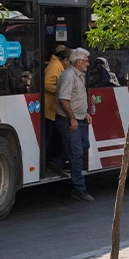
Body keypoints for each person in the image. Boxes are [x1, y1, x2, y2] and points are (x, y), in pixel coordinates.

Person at [55, 48, 94, 201]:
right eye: (86, 61)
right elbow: (63, 100)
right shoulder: (69, 76)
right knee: (77, 154)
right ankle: (79, 188)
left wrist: (85, 114)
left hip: (79, 119)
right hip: (69, 121)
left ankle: (57, 162)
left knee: (84, 145)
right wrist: (72, 118)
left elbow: (76, 98)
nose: (88, 64)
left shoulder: (78, 75)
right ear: (78, 62)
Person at [43, 47, 71, 177]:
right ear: (65, 60)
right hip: (49, 109)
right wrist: (62, 90)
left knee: (54, 139)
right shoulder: (55, 66)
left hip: (54, 110)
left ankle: (52, 163)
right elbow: (47, 84)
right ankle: (47, 164)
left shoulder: (58, 66)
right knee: (48, 139)